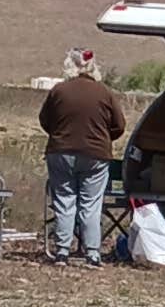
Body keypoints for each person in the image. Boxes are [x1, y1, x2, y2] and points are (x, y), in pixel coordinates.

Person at [39, 44, 127, 265]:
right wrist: (103, 139)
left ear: (70, 64)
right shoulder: (104, 92)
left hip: (60, 152)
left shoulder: (58, 90)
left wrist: (61, 136)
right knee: (91, 204)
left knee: (64, 200)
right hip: (96, 155)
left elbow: (45, 121)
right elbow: (119, 125)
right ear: (92, 65)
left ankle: (61, 252)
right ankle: (92, 253)